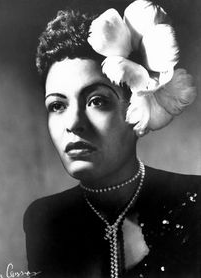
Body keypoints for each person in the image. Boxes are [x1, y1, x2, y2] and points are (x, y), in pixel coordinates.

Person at [23, 1, 201, 277]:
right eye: (57, 106)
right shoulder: (45, 220)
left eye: (96, 101)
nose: (73, 124)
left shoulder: (194, 200)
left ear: (138, 102)